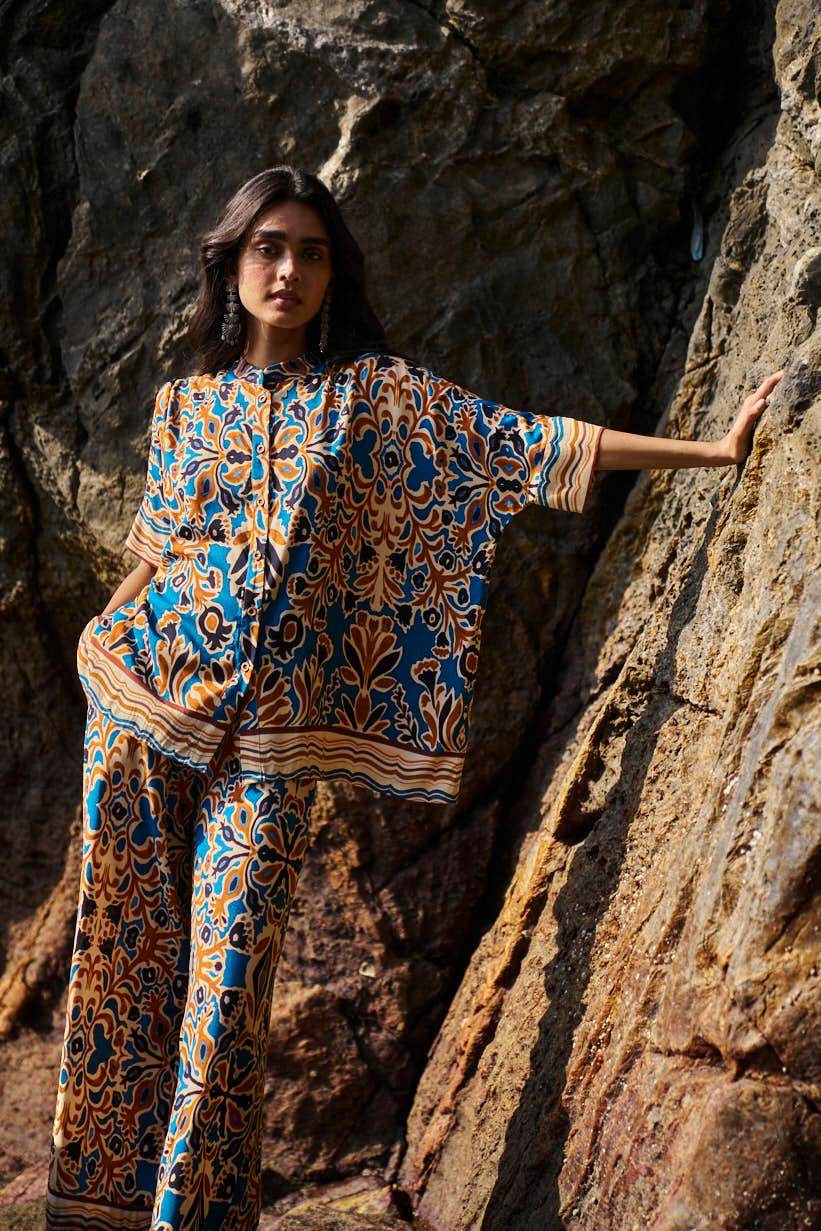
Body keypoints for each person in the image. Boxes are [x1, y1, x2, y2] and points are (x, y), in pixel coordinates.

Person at [45, 164, 785, 1231]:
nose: (287, 269)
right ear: (231, 263)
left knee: (229, 988)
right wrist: (95, 642)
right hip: (143, 709)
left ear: (331, 273)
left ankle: (185, 1219)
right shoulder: (184, 407)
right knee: (126, 953)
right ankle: (99, 1208)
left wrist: (712, 451)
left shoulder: (375, 397)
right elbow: (155, 555)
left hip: (273, 746)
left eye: (309, 252)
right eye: (267, 248)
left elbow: (521, 445)